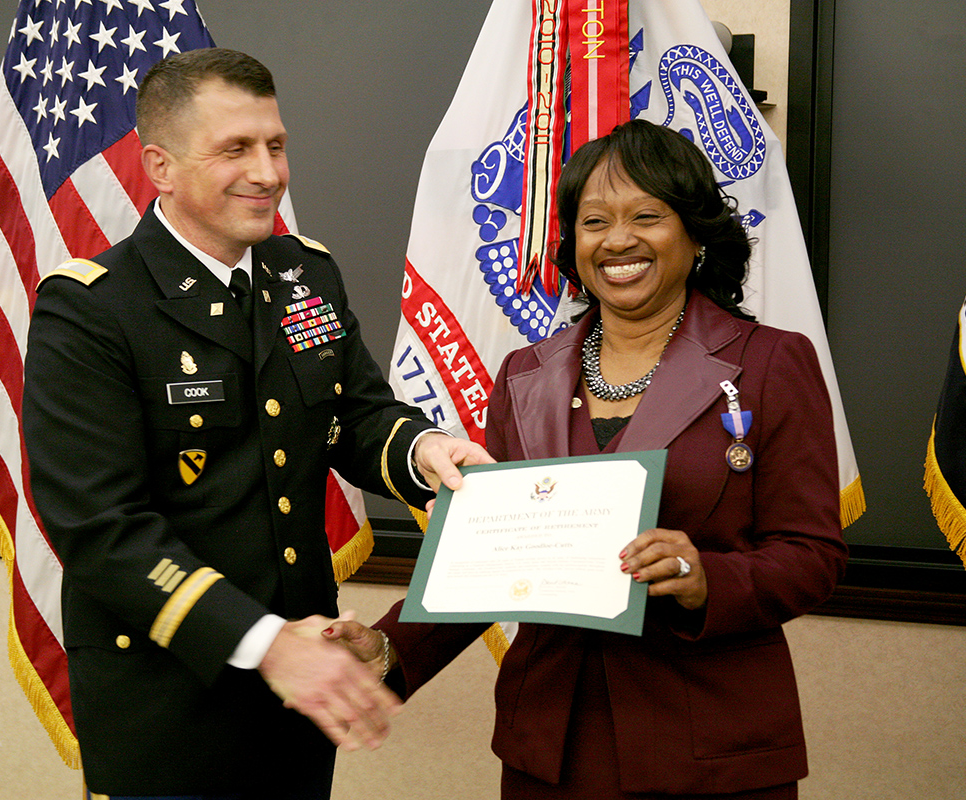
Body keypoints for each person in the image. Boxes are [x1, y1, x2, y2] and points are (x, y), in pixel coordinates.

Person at [325, 120, 849, 799]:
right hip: (550, 748)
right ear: (573, 245)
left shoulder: (772, 363)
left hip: (709, 749)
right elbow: (487, 558)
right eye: (594, 221)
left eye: (648, 216)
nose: (619, 240)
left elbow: (813, 555)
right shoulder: (523, 374)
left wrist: (703, 578)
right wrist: (389, 648)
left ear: (695, 234)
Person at [22, 48, 491, 800]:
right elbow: (102, 528)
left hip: (297, 705)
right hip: (170, 707)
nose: (269, 172)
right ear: (161, 167)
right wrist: (268, 643)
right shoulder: (92, 310)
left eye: (275, 145)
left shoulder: (304, 272)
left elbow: (353, 416)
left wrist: (424, 450)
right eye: (235, 149)